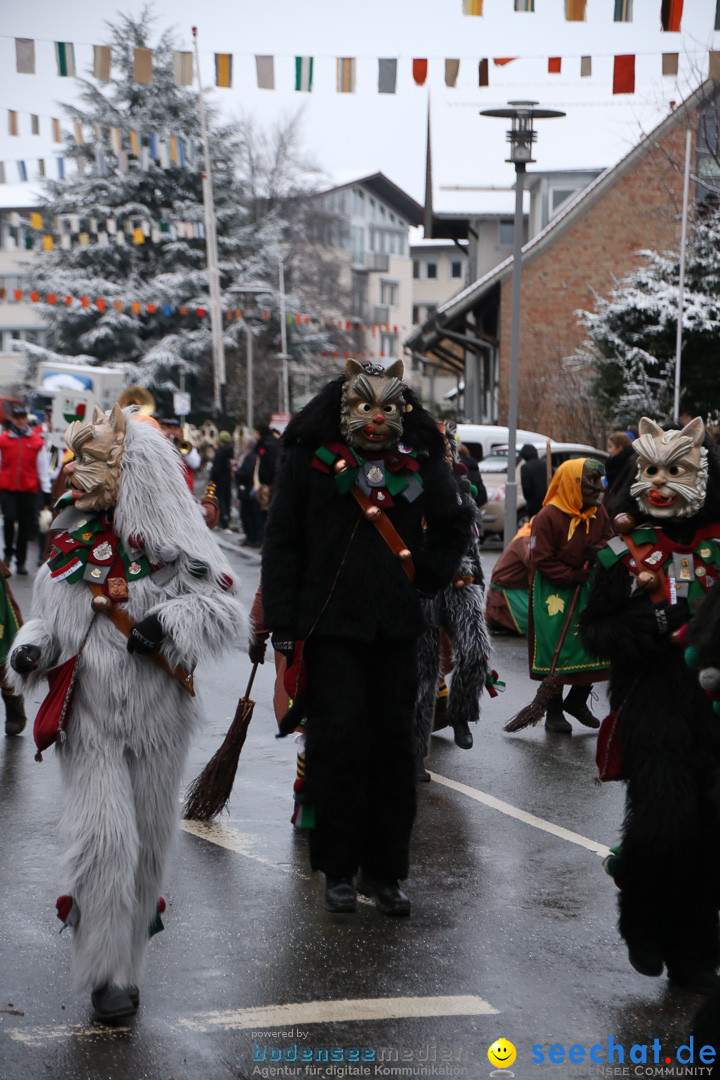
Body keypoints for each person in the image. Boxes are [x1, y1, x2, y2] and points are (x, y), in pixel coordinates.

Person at [8, 404, 247, 1023]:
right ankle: (103, 974)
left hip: (158, 719)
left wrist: (170, 621)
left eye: (90, 461)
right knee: (104, 840)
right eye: (73, 460)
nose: (72, 472)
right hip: (86, 719)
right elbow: (48, 621)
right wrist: (28, 648)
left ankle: (127, 956)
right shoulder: (67, 541)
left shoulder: (178, 542)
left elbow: (224, 612)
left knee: (145, 843)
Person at [261, 359, 471, 917]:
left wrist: (426, 576)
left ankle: (386, 872)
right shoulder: (310, 460)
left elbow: (453, 524)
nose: (376, 421)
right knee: (337, 747)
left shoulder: (421, 460)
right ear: (344, 408)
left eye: (387, 409)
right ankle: (337, 869)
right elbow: (283, 539)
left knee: (395, 750)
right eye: (363, 408)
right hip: (330, 627)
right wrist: (283, 622)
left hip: (396, 628)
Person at [581, 416, 720, 994]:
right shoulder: (621, 550)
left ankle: (694, 955)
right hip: (650, 704)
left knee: (708, 834)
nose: (661, 484)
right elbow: (595, 631)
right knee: (663, 824)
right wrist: (652, 623)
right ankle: (643, 925)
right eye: (651, 471)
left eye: (675, 471)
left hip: (710, 708)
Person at [527, 457, 612, 733]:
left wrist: (598, 552)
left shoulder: (599, 513)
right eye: (592, 482)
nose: (599, 488)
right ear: (573, 484)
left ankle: (577, 700)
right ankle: (553, 711)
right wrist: (571, 574)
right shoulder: (547, 517)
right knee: (558, 647)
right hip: (555, 591)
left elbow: (612, 542)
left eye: (600, 481)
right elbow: (541, 558)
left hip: (586, 587)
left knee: (589, 643)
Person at [0, 403, 51, 575]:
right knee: (9, 518)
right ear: (12, 419)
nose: (20, 421)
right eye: (17, 418)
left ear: (26, 419)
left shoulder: (37, 442)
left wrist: (46, 491)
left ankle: (20, 561)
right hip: (7, 487)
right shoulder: (4, 440)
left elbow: (42, 467)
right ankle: (7, 554)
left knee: (25, 524)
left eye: (23, 418)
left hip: (28, 489)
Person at [486, 522, 533, 634]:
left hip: (517, 591)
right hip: (507, 597)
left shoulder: (528, 535)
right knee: (540, 626)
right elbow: (535, 563)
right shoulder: (527, 539)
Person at [602, 430, 636, 522]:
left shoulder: (630, 465)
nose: (608, 450)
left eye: (610, 447)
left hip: (622, 516)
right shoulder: (616, 464)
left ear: (620, 448)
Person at [236, 436, 264, 548]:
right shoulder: (249, 455)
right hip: (247, 488)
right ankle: (251, 537)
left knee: (251, 515)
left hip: (249, 489)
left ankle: (254, 538)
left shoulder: (251, 456)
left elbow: (247, 473)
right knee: (247, 514)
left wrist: (237, 472)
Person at [210, 431, 235, 530]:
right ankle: (226, 519)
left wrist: (212, 479)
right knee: (227, 498)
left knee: (220, 499)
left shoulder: (219, 453)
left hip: (219, 480)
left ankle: (222, 520)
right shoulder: (230, 451)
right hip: (227, 479)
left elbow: (216, 468)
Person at [519, 443, 548, 519]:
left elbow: (526, 487)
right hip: (547, 502)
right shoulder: (545, 464)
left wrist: (529, 500)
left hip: (534, 505)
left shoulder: (525, 467)